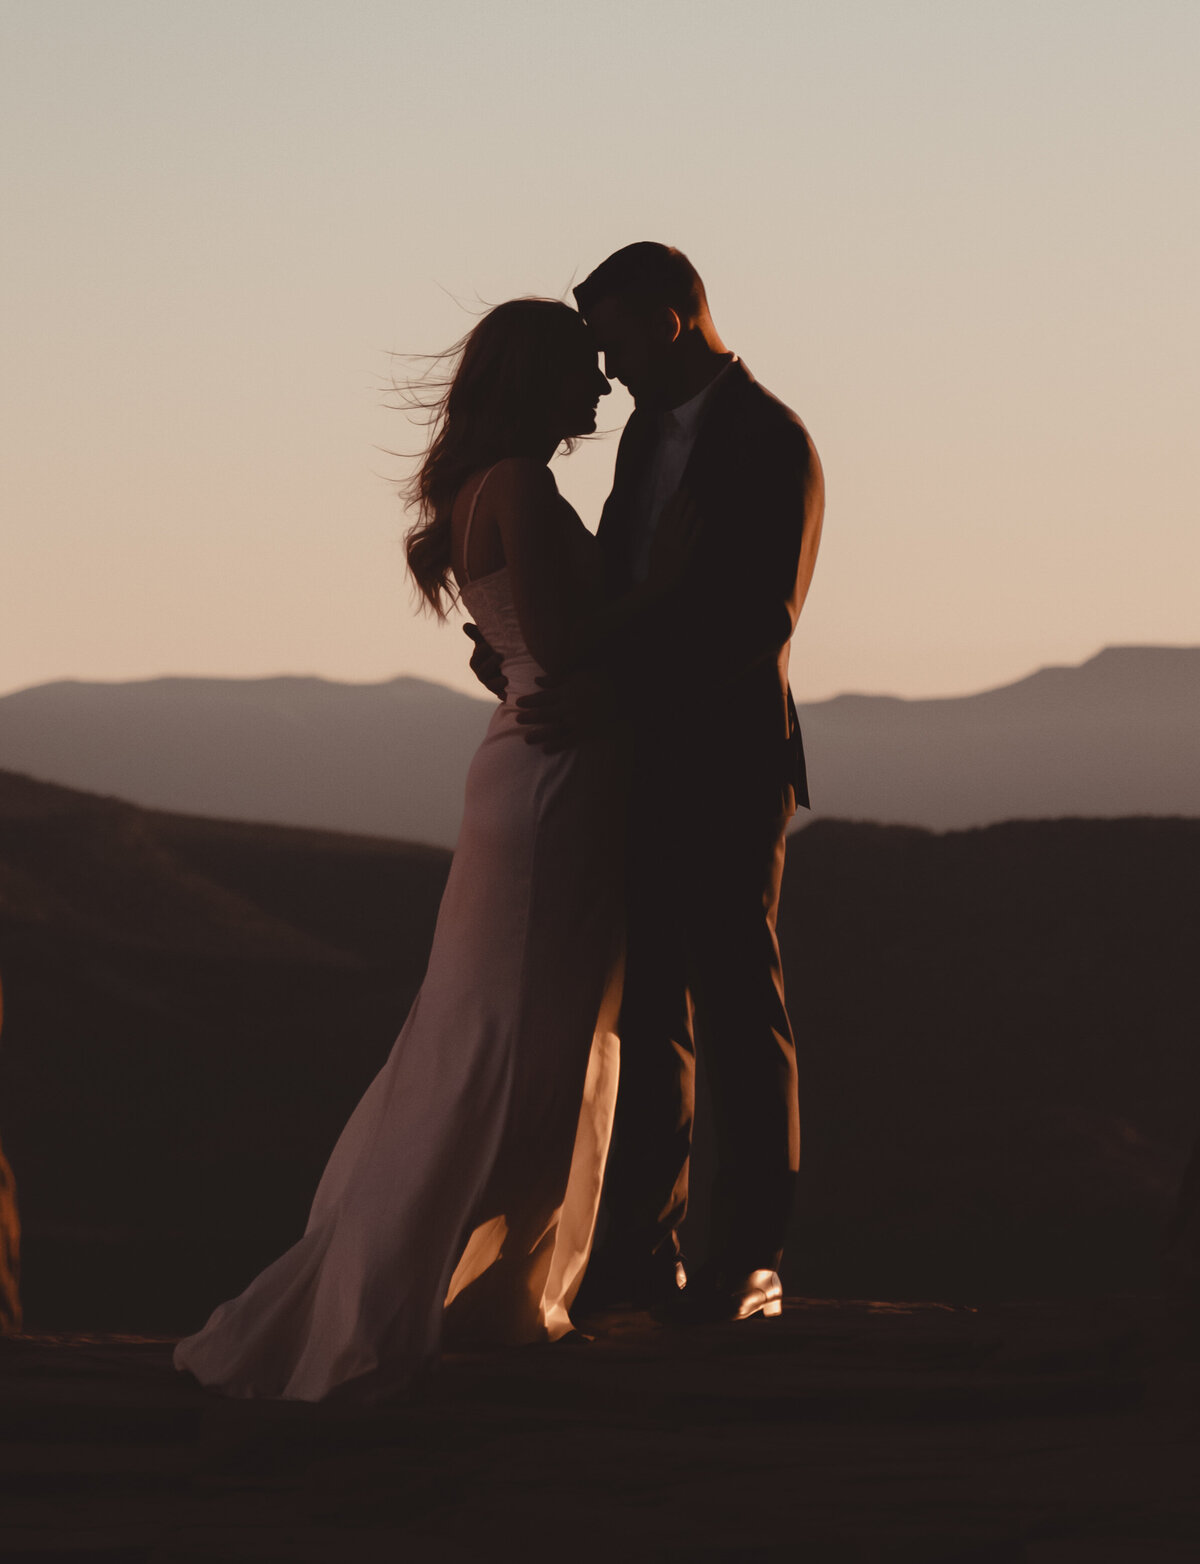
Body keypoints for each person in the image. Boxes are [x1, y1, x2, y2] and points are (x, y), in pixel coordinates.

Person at [174, 299, 627, 1402]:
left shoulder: (478, 489)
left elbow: (520, 641)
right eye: (584, 370)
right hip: (555, 779)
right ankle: (419, 1296)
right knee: (516, 1035)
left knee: (484, 1033)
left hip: (519, 766)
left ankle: (458, 1285)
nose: (604, 388)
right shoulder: (521, 484)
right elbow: (568, 657)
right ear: (536, 383)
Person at [472, 244, 824, 1323]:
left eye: (616, 340)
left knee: (734, 994)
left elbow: (757, 622)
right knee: (651, 1004)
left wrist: (609, 698)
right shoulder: (639, 442)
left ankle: (752, 1257)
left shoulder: (771, 440)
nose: (607, 369)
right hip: (629, 764)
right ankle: (640, 1246)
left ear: (669, 324)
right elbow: (624, 590)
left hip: (726, 763)